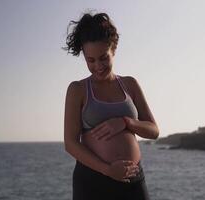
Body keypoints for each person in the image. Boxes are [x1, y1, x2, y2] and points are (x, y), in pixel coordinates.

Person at [63, 12, 159, 200]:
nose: (98, 66)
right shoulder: (78, 89)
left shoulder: (130, 84)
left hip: (133, 180)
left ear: (113, 49)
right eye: (90, 60)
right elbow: (71, 144)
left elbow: (153, 131)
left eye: (103, 58)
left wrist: (126, 122)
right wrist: (108, 170)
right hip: (92, 182)